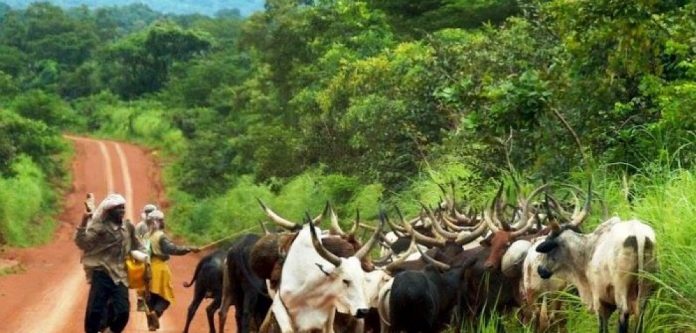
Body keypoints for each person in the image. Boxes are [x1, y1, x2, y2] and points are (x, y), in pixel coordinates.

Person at [74, 193, 148, 333]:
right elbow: (82, 243)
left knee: (123, 312)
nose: (122, 211)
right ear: (109, 211)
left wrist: (145, 257)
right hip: (102, 274)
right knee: (95, 313)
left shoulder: (128, 227)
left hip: (120, 276)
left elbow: (137, 245)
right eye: (118, 208)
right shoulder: (100, 227)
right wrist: (84, 221)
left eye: (123, 208)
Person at [145, 209, 200, 331]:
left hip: (147, 268)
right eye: (161, 220)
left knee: (151, 297)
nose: (163, 222)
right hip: (159, 269)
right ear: (157, 222)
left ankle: (152, 322)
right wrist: (189, 248)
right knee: (166, 297)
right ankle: (156, 313)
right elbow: (173, 249)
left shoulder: (148, 236)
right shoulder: (160, 236)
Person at [134, 203, 158, 312]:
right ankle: (140, 300)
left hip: (153, 255)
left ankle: (151, 298)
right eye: (148, 212)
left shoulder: (156, 226)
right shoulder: (140, 226)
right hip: (143, 255)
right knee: (142, 278)